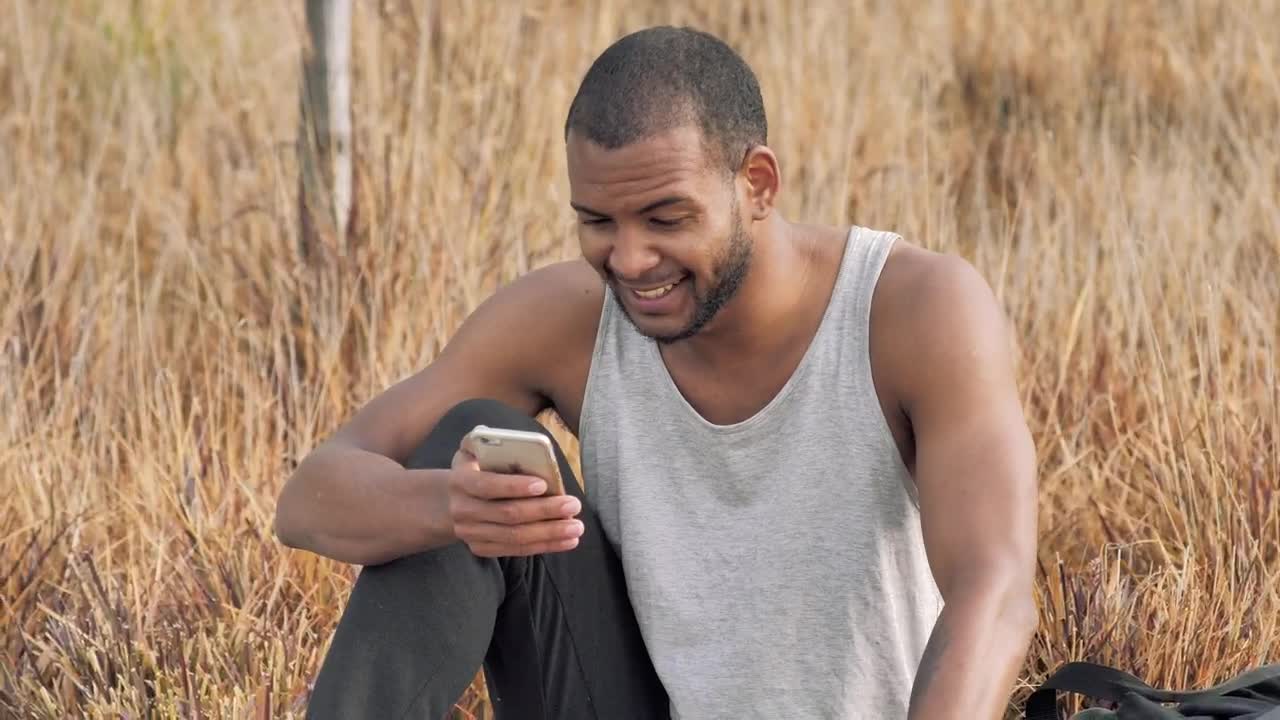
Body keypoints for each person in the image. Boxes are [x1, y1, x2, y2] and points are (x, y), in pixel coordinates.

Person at [274, 25, 1040, 720]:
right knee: (472, 447)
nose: (632, 261)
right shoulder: (563, 321)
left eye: (667, 219)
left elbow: (993, 590)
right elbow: (311, 497)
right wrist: (453, 507)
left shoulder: (914, 309)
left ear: (758, 185)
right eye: (598, 222)